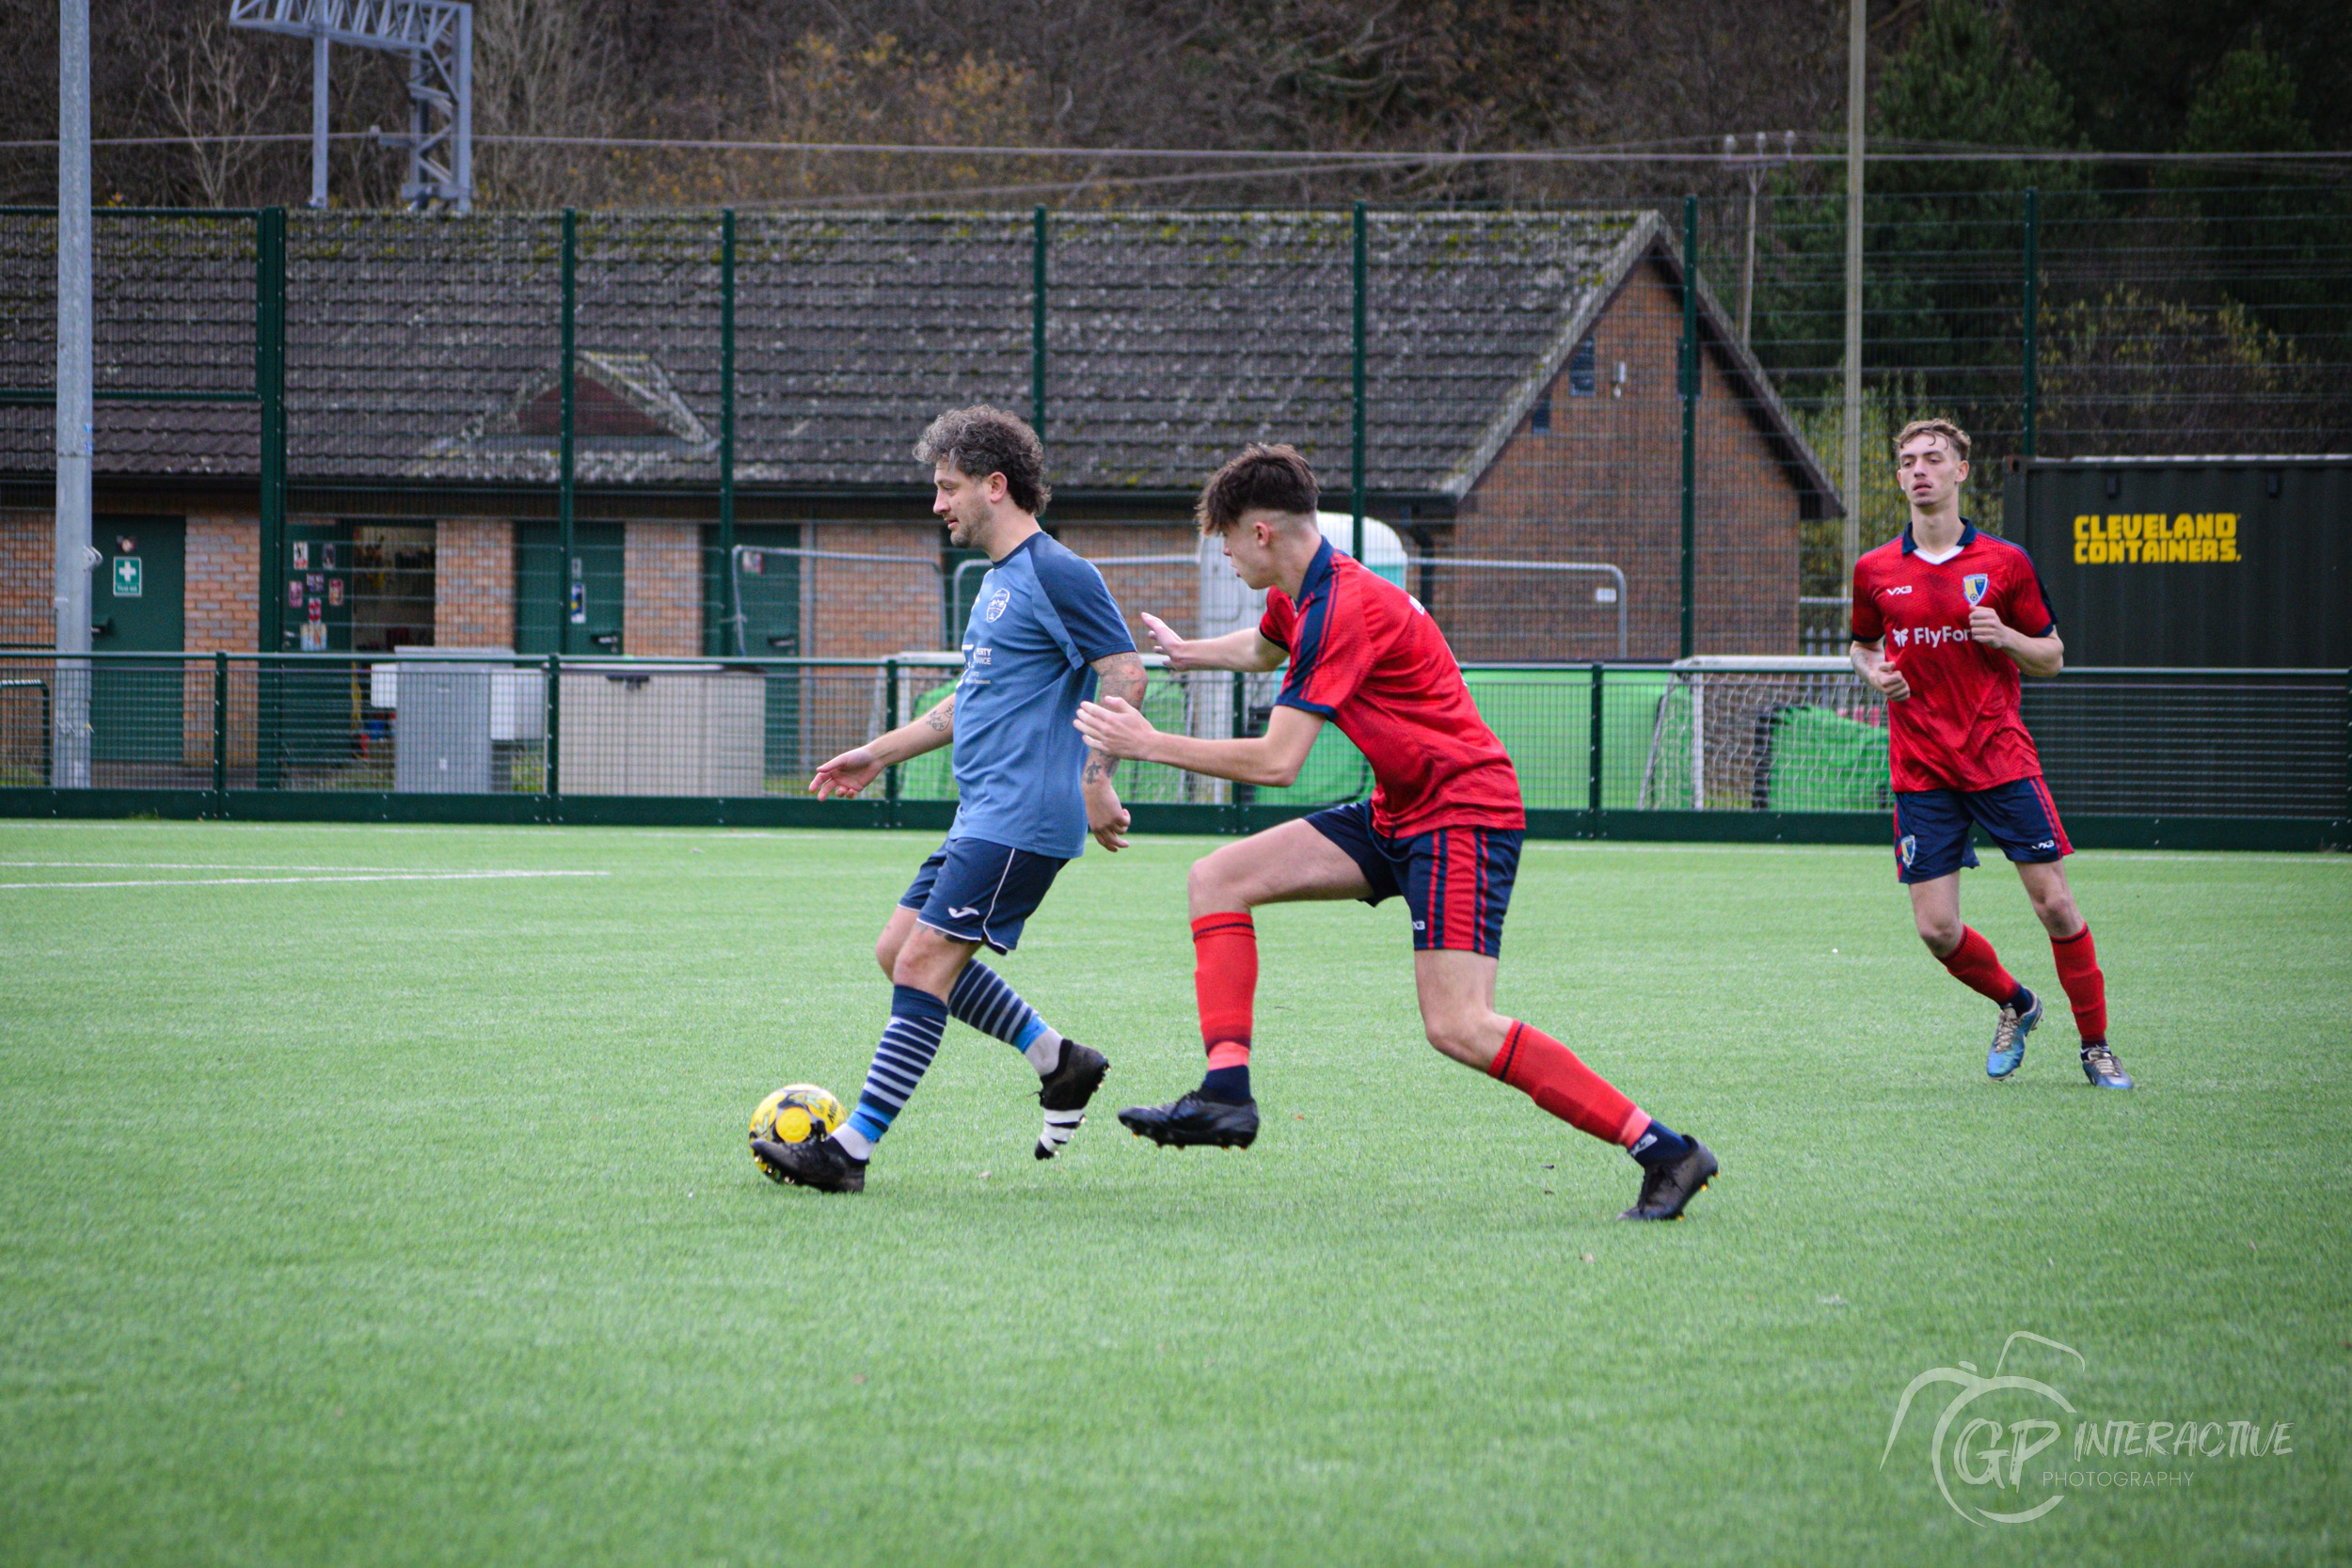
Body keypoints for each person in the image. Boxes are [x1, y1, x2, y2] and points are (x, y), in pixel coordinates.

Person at [1073, 444, 1717, 1221]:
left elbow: (1279, 762)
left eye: (1227, 539)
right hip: (1399, 808)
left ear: (1263, 532)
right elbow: (1266, 645)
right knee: (1217, 878)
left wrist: (1151, 743)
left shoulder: (1343, 608)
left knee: (1459, 1025)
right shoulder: (1306, 591)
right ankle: (1226, 1095)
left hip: (1462, 813)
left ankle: (1664, 1148)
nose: (1225, 555)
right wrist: (1189, 653)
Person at [755, 405, 1152, 1193]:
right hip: (983, 812)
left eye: (948, 487)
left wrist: (1096, 777)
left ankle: (851, 1151)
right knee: (895, 950)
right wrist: (878, 752)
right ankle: (1058, 1060)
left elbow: (1126, 672)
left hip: (1023, 817)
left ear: (995, 487)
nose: (937, 504)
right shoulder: (998, 583)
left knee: (926, 963)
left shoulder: (1057, 571)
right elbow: (968, 702)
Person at [1849, 418, 2131, 1089]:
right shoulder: (1875, 570)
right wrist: (1874, 673)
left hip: (1999, 759)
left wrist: (2004, 635)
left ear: (1960, 471)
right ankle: (2017, 1003)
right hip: (1921, 770)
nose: (1919, 469)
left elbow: (2053, 657)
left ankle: (2096, 1047)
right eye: (1908, 460)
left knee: (2056, 906)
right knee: (1937, 929)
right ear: (1898, 478)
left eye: (1933, 458)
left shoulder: (2005, 563)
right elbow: (1862, 645)